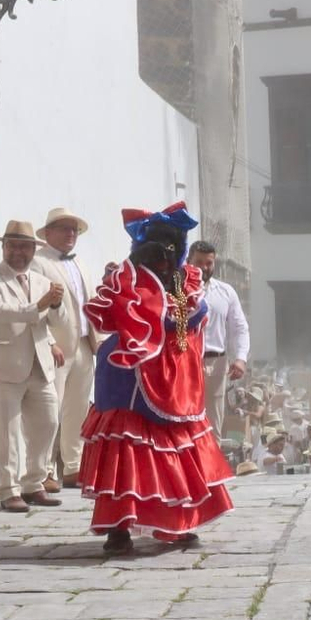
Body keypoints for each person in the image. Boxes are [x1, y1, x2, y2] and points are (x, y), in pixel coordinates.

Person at [80, 203, 234, 555]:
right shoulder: (126, 280)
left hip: (174, 378)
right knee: (129, 448)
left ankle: (175, 524)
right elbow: (111, 315)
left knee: (168, 450)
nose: (164, 258)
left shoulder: (186, 282)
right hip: (128, 379)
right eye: (159, 250)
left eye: (170, 250)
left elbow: (191, 319)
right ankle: (120, 528)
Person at [0, 220, 66, 513]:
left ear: (33, 250)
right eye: (12, 246)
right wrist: (39, 306)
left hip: (39, 362)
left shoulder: (39, 280)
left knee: (48, 423)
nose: (18, 252)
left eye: (24, 247)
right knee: (6, 431)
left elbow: (53, 319)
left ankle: (34, 483)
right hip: (3, 365)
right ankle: (8, 489)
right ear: (4, 247)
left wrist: (53, 314)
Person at [34, 206, 96, 490]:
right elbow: (36, 307)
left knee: (78, 409)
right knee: (49, 411)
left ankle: (73, 466)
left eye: (74, 230)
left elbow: (90, 302)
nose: (70, 234)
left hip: (83, 342)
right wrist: (48, 341)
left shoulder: (80, 263)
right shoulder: (38, 263)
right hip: (57, 346)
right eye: (63, 228)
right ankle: (43, 469)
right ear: (48, 233)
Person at [188, 240, 248, 437]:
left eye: (209, 263)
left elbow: (239, 327)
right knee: (185, 419)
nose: (204, 268)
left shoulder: (226, 292)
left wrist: (240, 358)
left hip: (216, 363)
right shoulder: (175, 289)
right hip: (185, 362)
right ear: (189, 261)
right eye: (199, 262)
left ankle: (212, 467)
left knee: (213, 424)